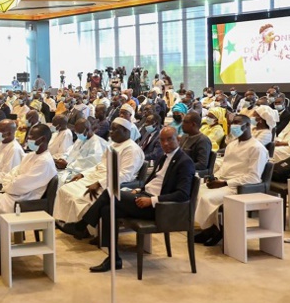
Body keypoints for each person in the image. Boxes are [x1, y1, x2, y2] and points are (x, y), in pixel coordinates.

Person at [61, 127, 194, 272]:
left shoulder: (184, 162)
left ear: (178, 140)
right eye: (162, 140)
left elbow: (183, 194)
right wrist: (139, 190)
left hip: (160, 208)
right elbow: (155, 182)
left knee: (108, 193)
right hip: (145, 196)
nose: (165, 143)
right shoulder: (164, 157)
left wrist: (153, 200)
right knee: (107, 210)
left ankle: (81, 225)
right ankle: (113, 259)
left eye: (170, 139)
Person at [194, 115, 268, 246]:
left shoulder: (257, 148)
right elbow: (225, 167)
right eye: (232, 122)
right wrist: (215, 178)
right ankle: (210, 228)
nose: (233, 125)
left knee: (207, 198)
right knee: (196, 191)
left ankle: (216, 230)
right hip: (224, 182)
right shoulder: (232, 145)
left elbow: (254, 177)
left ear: (247, 126)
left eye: (237, 122)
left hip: (240, 186)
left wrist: (224, 183)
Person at [54, 118, 144, 224]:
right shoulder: (113, 145)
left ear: (125, 131)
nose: (110, 133)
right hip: (97, 176)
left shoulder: (132, 149)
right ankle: (68, 222)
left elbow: (125, 175)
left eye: (114, 130)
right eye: (110, 129)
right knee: (65, 189)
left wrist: (99, 184)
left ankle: (82, 226)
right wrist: (82, 174)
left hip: (110, 182)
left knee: (79, 197)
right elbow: (100, 165)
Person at [0, 124, 56, 222]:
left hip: (18, 203)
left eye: (32, 137)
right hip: (8, 195)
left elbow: (18, 186)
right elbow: (11, 173)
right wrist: (10, 182)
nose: (28, 139)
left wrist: (9, 183)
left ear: (43, 139)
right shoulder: (30, 155)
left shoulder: (44, 162)